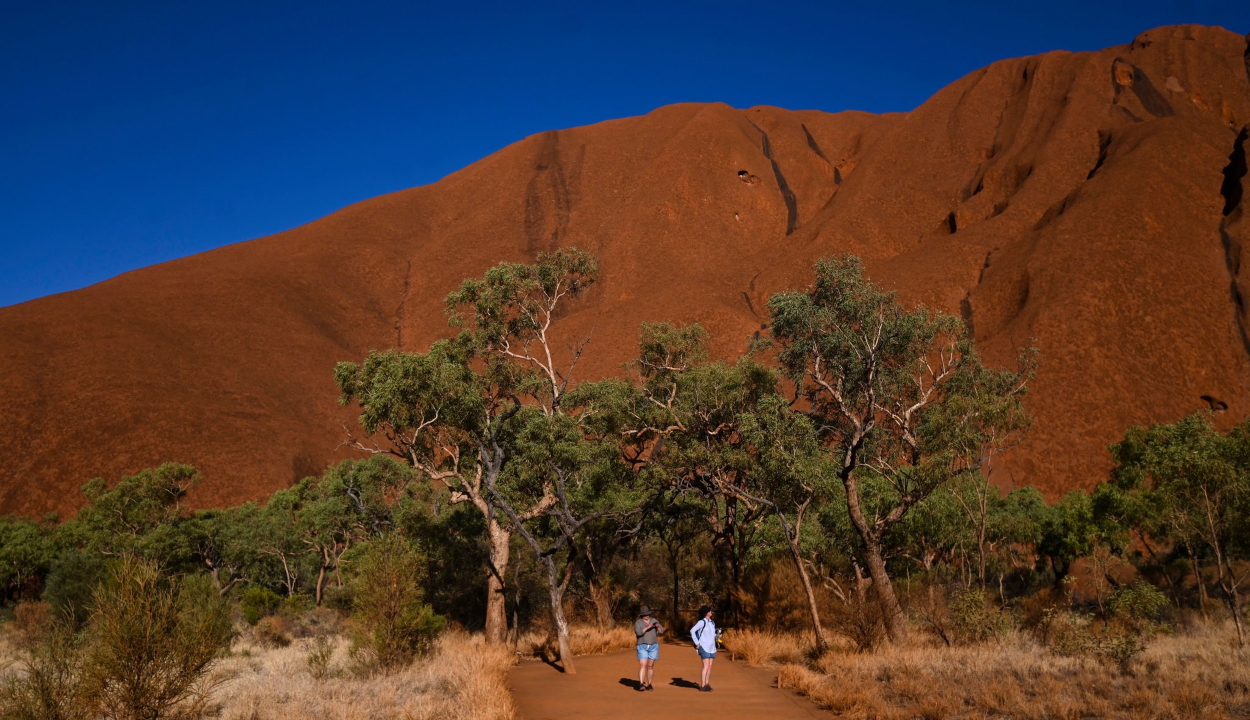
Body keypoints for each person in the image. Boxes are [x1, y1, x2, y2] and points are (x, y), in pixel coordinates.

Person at [633, 605, 665, 691]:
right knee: (643, 665)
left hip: (653, 646)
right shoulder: (638, 622)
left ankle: (650, 684)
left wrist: (658, 626)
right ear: (642, 615)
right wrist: (648, 627)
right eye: (645, 615)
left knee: (650, 666)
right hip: (642, 645)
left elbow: (662, 631)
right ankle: (641, 684)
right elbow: (639, 633)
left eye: (648, 614)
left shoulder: (654, 620)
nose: (648, 616)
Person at [690, 606, 717, 692]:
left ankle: (707, 683)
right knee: (706, 666)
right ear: (706, 613)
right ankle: (702, 685)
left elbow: (712, 634)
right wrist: (697, 643)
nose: (711, 612)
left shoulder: (712, 623)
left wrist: (717, 636)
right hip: (703, 647)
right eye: (710, 611)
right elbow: (692, 631)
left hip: (712, 647)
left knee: (710, 666)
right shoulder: (701, 622)